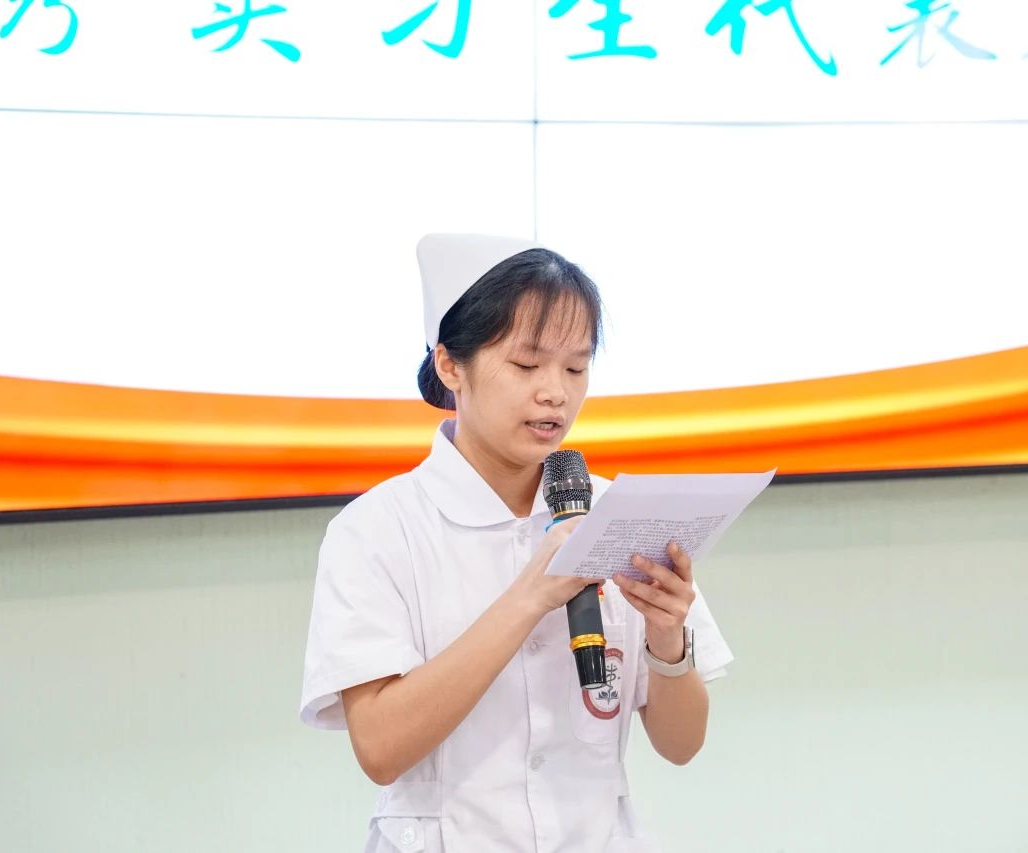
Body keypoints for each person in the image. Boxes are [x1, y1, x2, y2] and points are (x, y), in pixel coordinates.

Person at [300, 233, 734, 852]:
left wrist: (668, 642)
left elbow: (682, 745)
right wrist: (530, 597)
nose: (556, 391)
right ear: (451, 365)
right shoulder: (377, 529)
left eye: (576, 367)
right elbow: (380, 748)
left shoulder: (619, 515)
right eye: (527, 365)